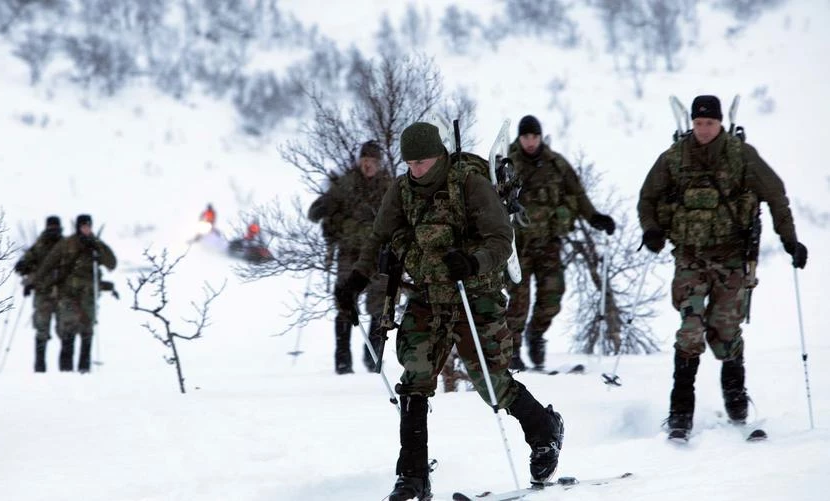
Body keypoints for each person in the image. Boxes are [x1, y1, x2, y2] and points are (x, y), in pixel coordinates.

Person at [335, 122, 564, 500]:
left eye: (422, 162)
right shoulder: (402, 190)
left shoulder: (470, 184)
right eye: (410, 163)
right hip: (429, 294)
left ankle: (544, 432)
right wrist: (355, 281)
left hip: (475, 292)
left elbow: (500, 239)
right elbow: (378, 237)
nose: (416, 170)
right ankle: (412, 477)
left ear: (438, 155)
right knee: (415, 378)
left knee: (491, 381)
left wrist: (473, 262)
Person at [637, 95, 808, 440]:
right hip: (690, 258)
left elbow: (776, 196)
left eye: (710, 123)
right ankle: (680, 413)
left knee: (726, 332)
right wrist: (651, 230)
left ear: (720, 123)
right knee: (690, 331)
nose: (703, 129)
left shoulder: (742, 156)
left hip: (731, 259)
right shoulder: (674, 157)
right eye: (698, 123)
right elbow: (647, 198)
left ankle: (736, 400)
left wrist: (790, 240)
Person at [506, 115, 615, 371]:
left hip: (548, 243)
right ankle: (511, 349)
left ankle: (535, 334)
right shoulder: (507, 165)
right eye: (526, 137)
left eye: (534, 137)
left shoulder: (556, 164)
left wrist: (594, 217)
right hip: (518, 246)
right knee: (518, 301)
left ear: (540, 137)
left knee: (552, 296)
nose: (530, 142)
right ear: (519, 138)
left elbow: (578, 193)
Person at [308, 140, 391, 374]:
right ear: (359, 161)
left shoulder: (388, 187)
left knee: (380, 305)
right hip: (349, 252)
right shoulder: (345, 184)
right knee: (345, 302)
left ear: (379, 164)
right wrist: (323, 208)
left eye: (372, 161)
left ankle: (373, 358)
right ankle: (343, 362)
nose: (368, 165)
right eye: (365, 160)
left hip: (379, 254)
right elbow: (316, 211)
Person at [32, 214, 117, 373]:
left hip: (88, 296)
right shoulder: (67, 244)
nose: (86, 229)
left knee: (87, 331)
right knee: (68, 332)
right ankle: (66, 370)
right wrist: (35, 282)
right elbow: (49, 263)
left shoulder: (96, 244)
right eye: (83, 226)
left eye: (88, 226)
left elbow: (112, 263)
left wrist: (96, 245)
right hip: (68, 295)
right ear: (78, 226)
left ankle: (84, 368)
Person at [14, 216, 64, 372]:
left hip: (63, 294)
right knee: (41, 329)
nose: (53, 230)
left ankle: (66, 368)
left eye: (55, 227)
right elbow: (27, 262)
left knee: (65, 330)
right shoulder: (39, 245)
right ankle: (40, 366)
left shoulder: (66, 245)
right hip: (43, 293)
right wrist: (23, 267)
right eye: (51, 227)